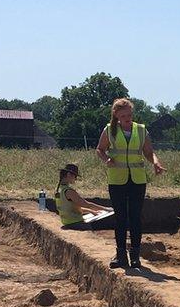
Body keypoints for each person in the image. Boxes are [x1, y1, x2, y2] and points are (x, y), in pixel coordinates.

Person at [95, 98, 164, 269]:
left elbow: (149, 152)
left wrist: (155, 162)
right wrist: (106, 159)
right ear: (116, 115)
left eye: (130, 115)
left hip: (137, 180)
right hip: (117, 179)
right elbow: (99, 149)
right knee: (120, 218)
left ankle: (135, 255)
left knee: (135, 217)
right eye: (124, 115)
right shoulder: (109, 130)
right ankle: (120, 255)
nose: (127, 118)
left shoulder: (141, 130)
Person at [53, 163, 110, 230]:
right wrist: (106, 209)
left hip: (66, 222)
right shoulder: (68, 191)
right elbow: (86, 204)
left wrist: (91, 211)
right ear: (69, 175)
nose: (75, 179)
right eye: (75, 176)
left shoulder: (58, 190)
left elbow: (69, 207)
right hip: (76, 223)